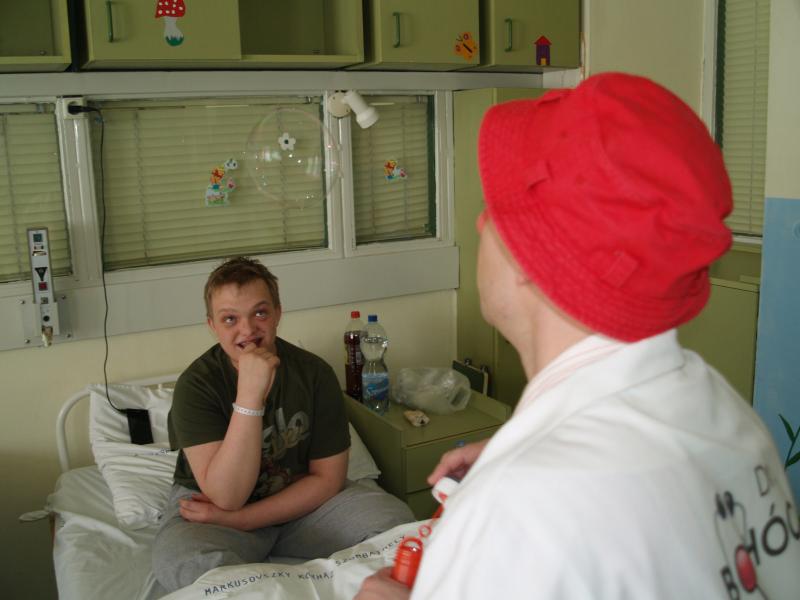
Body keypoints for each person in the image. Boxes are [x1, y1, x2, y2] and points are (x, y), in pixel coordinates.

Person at [356, 73, 800, 599]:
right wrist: (526, 445)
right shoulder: (723, 414)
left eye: (496, 212)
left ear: (530, 259)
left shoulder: (519, 510)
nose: (479, 225)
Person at [152, 256, 413, 592]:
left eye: (260, 313)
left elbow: (328, 478)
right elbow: (227, 496)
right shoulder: (196, 385)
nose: (247, 330)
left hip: (298, 504)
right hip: (213, 511)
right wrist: (249, 395)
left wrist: (242, 519)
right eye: (230, 319)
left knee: (397, 526)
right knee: (182, 562)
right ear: (212, 325)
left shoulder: (314, 374)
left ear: (277, 313)